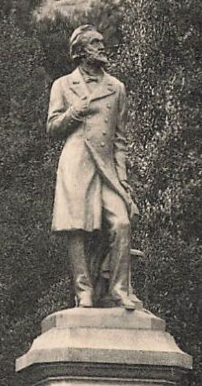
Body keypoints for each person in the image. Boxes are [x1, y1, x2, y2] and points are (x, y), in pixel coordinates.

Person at [47, 25, 141, 310]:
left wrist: (123, 181)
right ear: (80, 51)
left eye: (102, 42)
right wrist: (75, 112)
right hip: (77, 164)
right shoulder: (63, 85)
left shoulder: (117, 88)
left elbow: (120, 141)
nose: (102, 47)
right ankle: (83, 290)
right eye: (95, 43)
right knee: (76, 227)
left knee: (122, 223)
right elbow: (52, 127)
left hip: (108, 170)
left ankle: (119, 289)